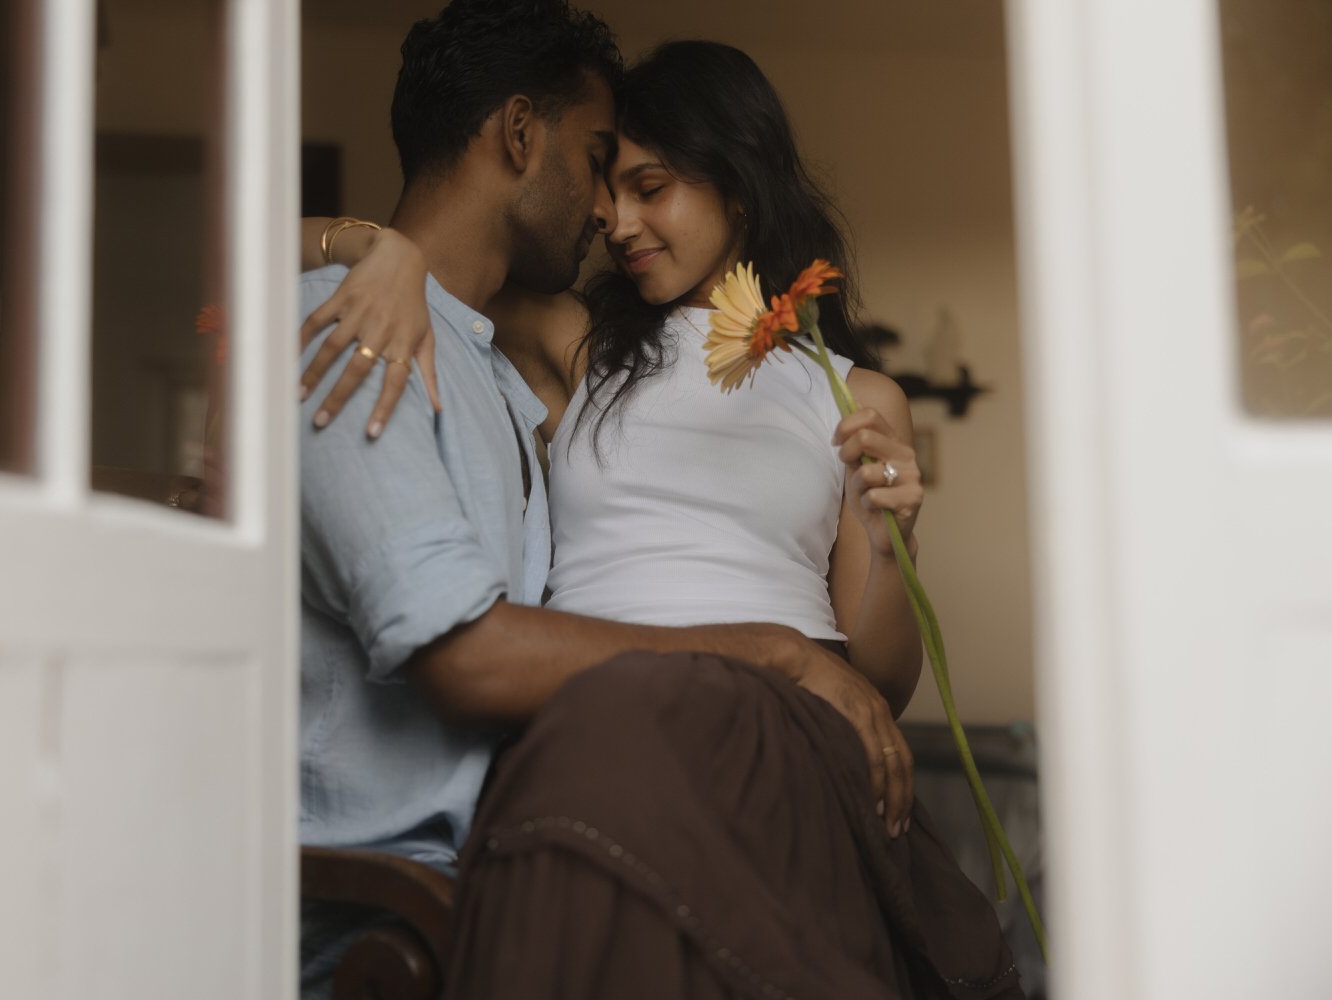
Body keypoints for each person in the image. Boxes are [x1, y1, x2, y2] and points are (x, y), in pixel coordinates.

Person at [303, 34, 1022, 1000]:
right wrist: (369, 250)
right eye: (609, 188)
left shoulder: (854, 394)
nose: (617, 219)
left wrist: (891, 537)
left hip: (781, 717)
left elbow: (879, 685)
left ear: (738, 184)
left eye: (652, 187)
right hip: (596, 705)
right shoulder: (580, 343)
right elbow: (417, 254)